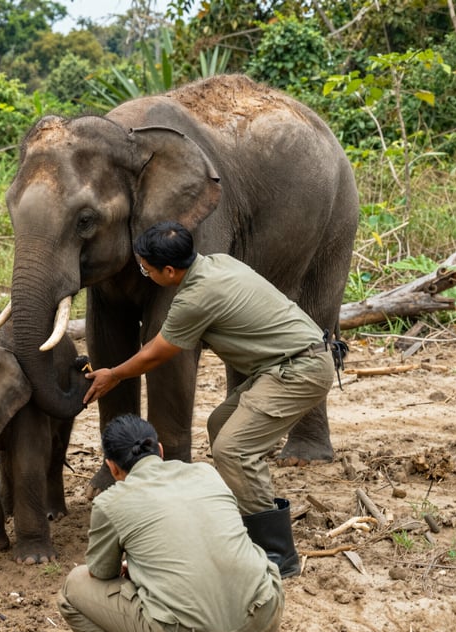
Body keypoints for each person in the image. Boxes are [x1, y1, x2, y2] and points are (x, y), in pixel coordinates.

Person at [83, 221, 338, 579]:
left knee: (233, 450)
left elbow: (157, 353)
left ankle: (278, 555)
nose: (143, 274)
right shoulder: (217, 262)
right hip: (285, 364)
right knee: (220, 426)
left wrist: (115, 374)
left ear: (169, 270)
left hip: (299, 369)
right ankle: (246, 517)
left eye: (145, 268)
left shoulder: (196, 296)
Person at [58, 414, 284, 632]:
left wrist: (135, 569)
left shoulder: (111, 502)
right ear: (160, 451)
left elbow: (101, 573)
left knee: (73, 587)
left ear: (112, 468)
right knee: (245, 554)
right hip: (263, 620)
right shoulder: (206, 473)